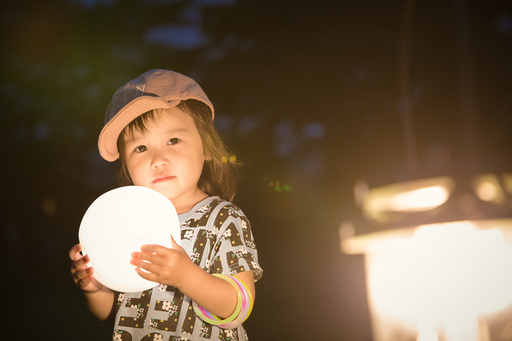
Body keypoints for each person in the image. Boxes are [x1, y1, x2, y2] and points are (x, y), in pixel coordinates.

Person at [69, 69, 263, 341]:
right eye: (140, 148)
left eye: (173, 140)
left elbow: (239, 306)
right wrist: (96, 289)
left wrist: (186, 276)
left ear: (206, 147)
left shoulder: (223, 218)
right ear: (126, 165)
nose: (158, 159)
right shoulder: (125, 225)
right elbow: (117, 317)